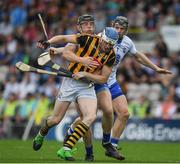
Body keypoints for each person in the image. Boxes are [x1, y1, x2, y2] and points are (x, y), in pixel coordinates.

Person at [63, 15, 172, 160]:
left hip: (110, 81)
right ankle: (72, 131)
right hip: (93, 81)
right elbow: (76, 44)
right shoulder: (102, 37)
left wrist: (156, 68)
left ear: (126, 31)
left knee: (124, 113)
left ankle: (111, 146)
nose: (119, 31)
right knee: (88, 117)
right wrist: (56, 50)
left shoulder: (127, 42)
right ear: (112, 25)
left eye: (122, 29)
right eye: (117, 27)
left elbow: (138, 56)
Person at [33, 26, 119, 161]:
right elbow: (63, 38)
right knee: (55, 120)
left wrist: (86, 74)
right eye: (106, 42)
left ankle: (66, 148)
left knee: (90, 116)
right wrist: (49, 42)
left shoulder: (111, 55)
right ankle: (42, 132)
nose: (107, 46)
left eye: (110, 44)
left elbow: (103, 79)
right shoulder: (88, 39)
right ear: (101, 38)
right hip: (70, 83)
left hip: (87, 86)